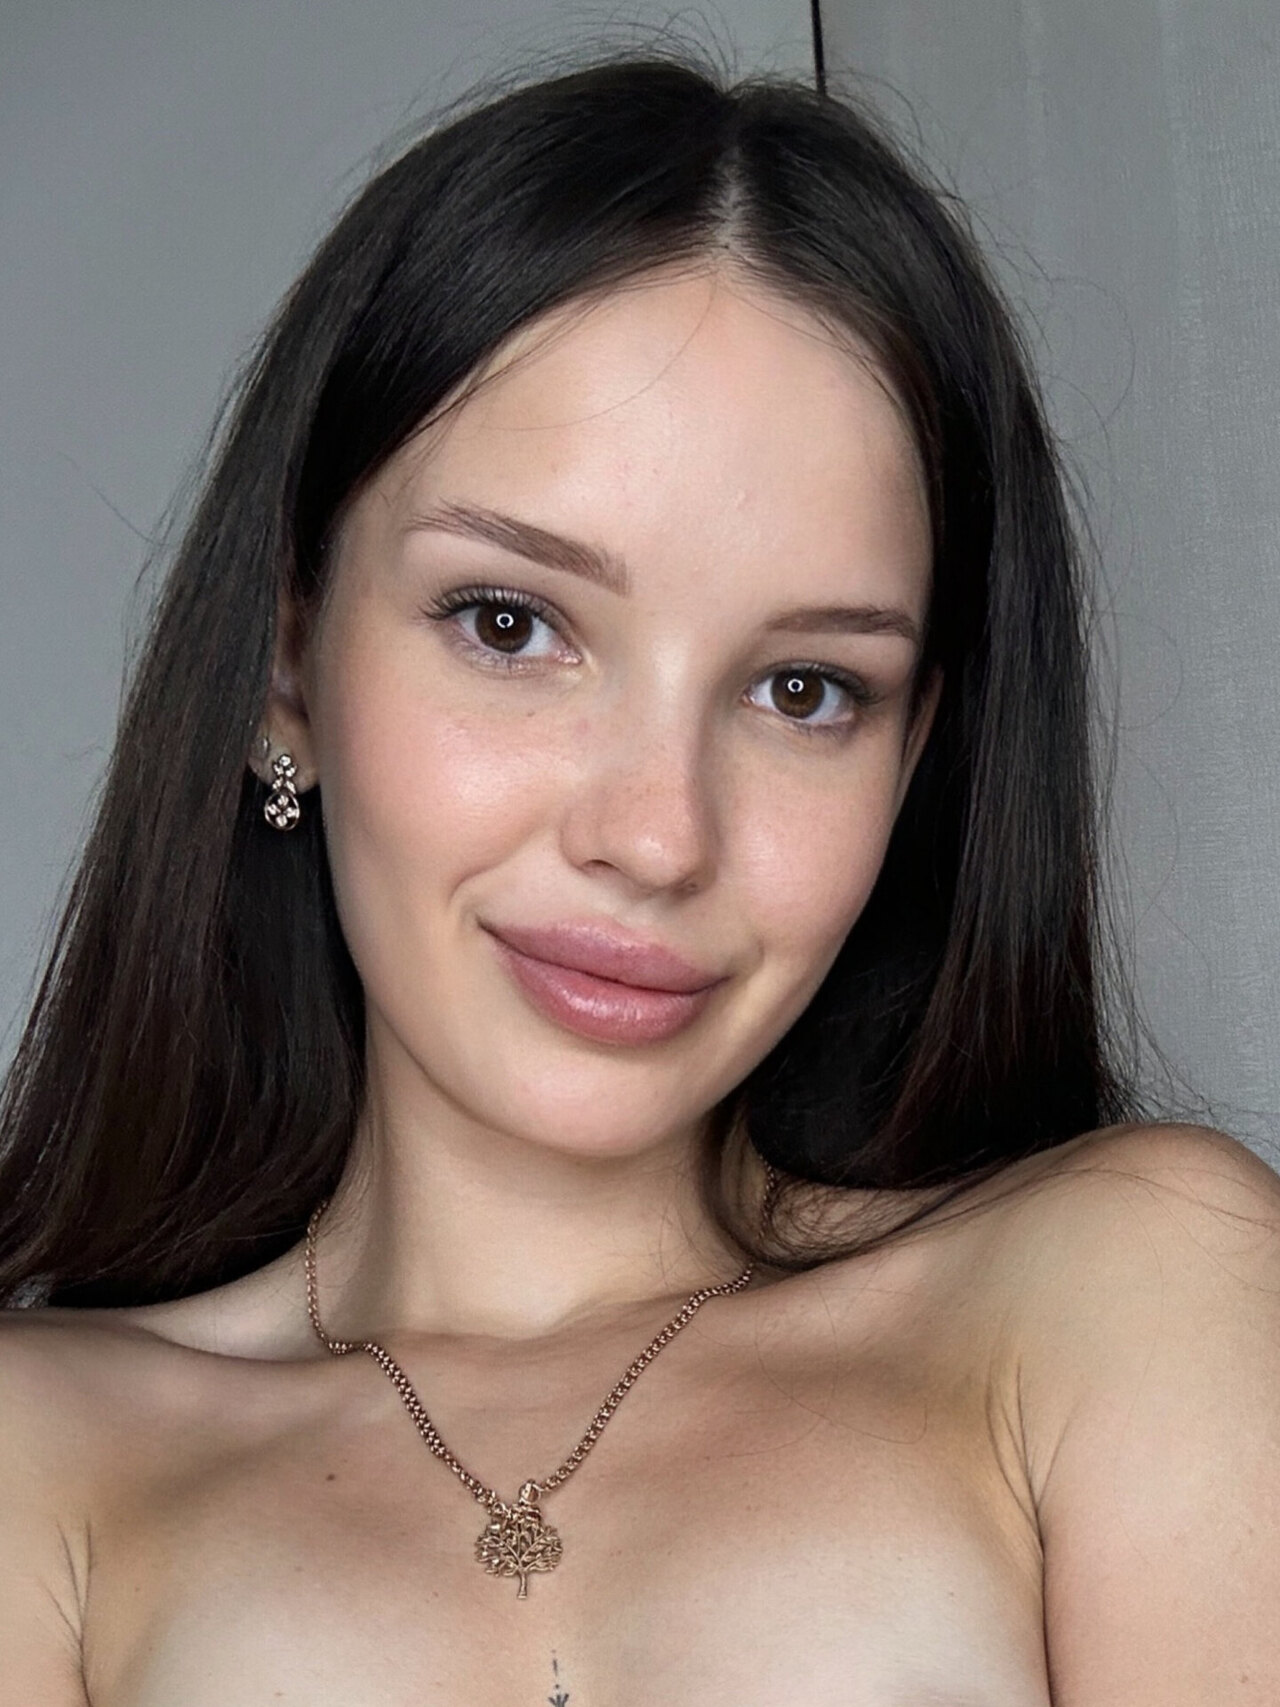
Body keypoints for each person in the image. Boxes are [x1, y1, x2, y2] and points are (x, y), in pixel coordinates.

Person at [1, 47, 1277, 1706]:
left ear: (914, 756)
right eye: (511, 624)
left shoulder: (1128, 1298)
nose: (660, 835)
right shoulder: (41, 1456)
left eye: (804, 690)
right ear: (287, 664)